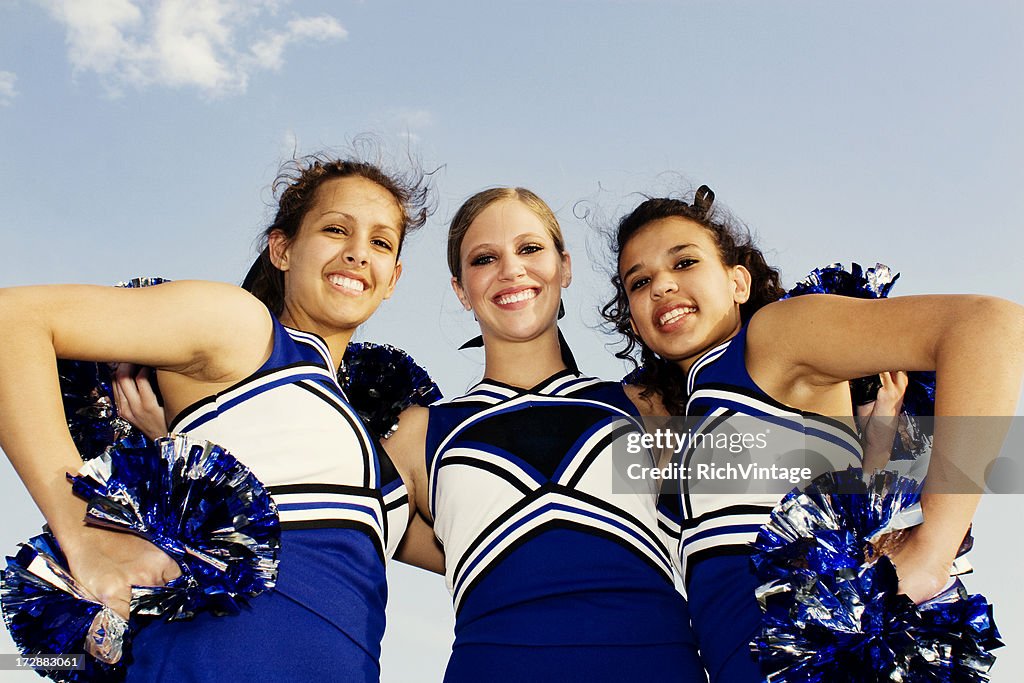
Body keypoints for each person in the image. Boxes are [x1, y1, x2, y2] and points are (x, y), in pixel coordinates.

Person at [0, 153, 433, 682]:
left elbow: (494, 554)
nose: (357, 254)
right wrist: (78, 528)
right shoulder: (243, 328)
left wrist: (175, 460)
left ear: (394, 278)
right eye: (335, 229)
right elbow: (12, 321)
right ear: (283, 248)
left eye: (381, 243)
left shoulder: (372, 451)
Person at [601, 185, 1024, 682]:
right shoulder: (684, 415)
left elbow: (988, 325)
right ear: (632, 316)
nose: (662, 286)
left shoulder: (773, 335)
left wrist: (934, 548)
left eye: (685, 263)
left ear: (738, 282)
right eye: (639, 281)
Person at [385, 188, 707, 682]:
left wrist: (868, 435)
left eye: (530, 249)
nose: (511, 270)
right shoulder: (420, 433)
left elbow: (806, 471)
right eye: (485, 258)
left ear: (565, 265)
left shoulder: (645, 406)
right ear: (460, 289)